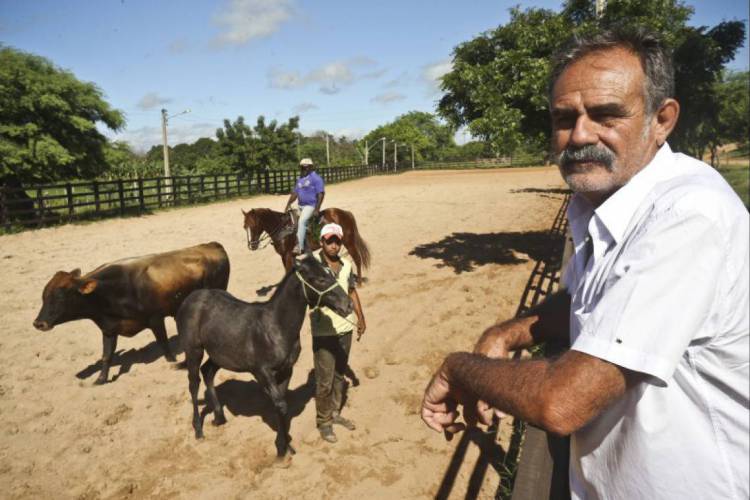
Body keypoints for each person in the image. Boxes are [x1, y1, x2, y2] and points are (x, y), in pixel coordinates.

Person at [421, 27, 749, 499]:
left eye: (606, 114)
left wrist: (459, 368)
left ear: (662, 119)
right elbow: (587, 297)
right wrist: (507, 334)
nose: (579, 135)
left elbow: (562, 402)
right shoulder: (601, 202)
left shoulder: (687, 216)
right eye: (564, 117)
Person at [310, 222, 367, 443]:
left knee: (338, 375)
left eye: (336, 241)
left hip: (345, 328)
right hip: (323, 330)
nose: (333, 245)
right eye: (329, 241)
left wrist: (360, 317)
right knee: (323, 380)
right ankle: (323, 422)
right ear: (322, 242)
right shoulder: (312, 264)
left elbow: (352, 292)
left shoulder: (345, 266)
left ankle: (334, 413)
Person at [284, 158, 325, 254]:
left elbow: (321, 194)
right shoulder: (300, 179)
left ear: (311, 167)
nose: (303, 169)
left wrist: (317, 208)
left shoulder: (316, 178)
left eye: (306, 167)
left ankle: (300, 247)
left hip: (311, 205)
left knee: (302, 222)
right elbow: (294, 193)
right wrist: (288, 204)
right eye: (302, 167)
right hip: (300, 205)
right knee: (289, 221)